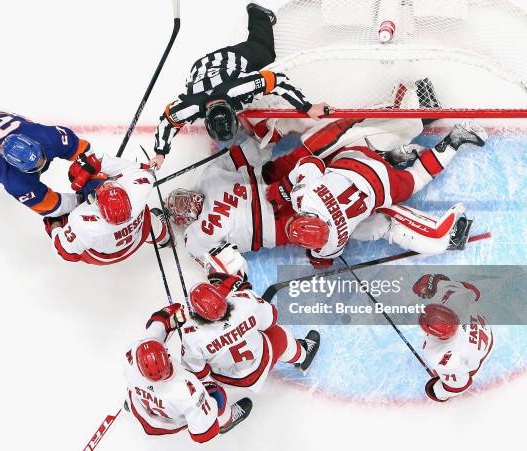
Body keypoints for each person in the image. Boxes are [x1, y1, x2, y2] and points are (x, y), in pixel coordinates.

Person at [275, 120, 488, 267]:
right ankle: (391, 156)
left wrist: (316, 258)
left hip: (381, 185)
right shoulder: (303, 197)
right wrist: (289, 185)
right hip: (354, 157)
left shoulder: (333, 242)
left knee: (416, 179)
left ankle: (455, 139)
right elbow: (311, 162)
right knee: (330, 165)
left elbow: (322, 261)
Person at [150, 1, 329, 169]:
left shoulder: (240, 88)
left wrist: (308, 107)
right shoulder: (187, 107)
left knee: (265, 52)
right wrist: (159, 154)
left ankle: (257, 12)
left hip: (229, 59)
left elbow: (278, 80)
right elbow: (167, 122)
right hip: (199, 68)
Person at [176, 248, 320, 390]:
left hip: (227, 380)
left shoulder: (191, 335)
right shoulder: (244, 302)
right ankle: (303, 356)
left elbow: (197, 373)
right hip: (259, 363)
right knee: (279, 335)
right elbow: (271, 319)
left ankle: (223, 411)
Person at [123, 305, 251, 442]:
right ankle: (226, 421)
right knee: (216, 393)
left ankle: (131, 404)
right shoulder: (188, 390)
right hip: (168, 423)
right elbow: (203, 434)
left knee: (139, 391)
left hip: (139, 406)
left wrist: (170, 319)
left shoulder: (130, 355)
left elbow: (158, 322)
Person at [44, 155, 169, 265]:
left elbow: (63, 252)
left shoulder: (81, 221)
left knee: (54, 216)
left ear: (98, 208)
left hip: (103, 257)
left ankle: (56, 220)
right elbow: (145, 170)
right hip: (138, 237)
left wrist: (56, 225)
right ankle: (166, 240)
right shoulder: (140, 189)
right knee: (147, 220)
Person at [412, 274, 493, 402]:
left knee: (459, 371)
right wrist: (435, 283)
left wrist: (438, 392)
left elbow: (459, 385)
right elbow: (473, 291)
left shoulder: (444, 356)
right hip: (485, 333)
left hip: (475, 358)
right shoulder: (458, 297)